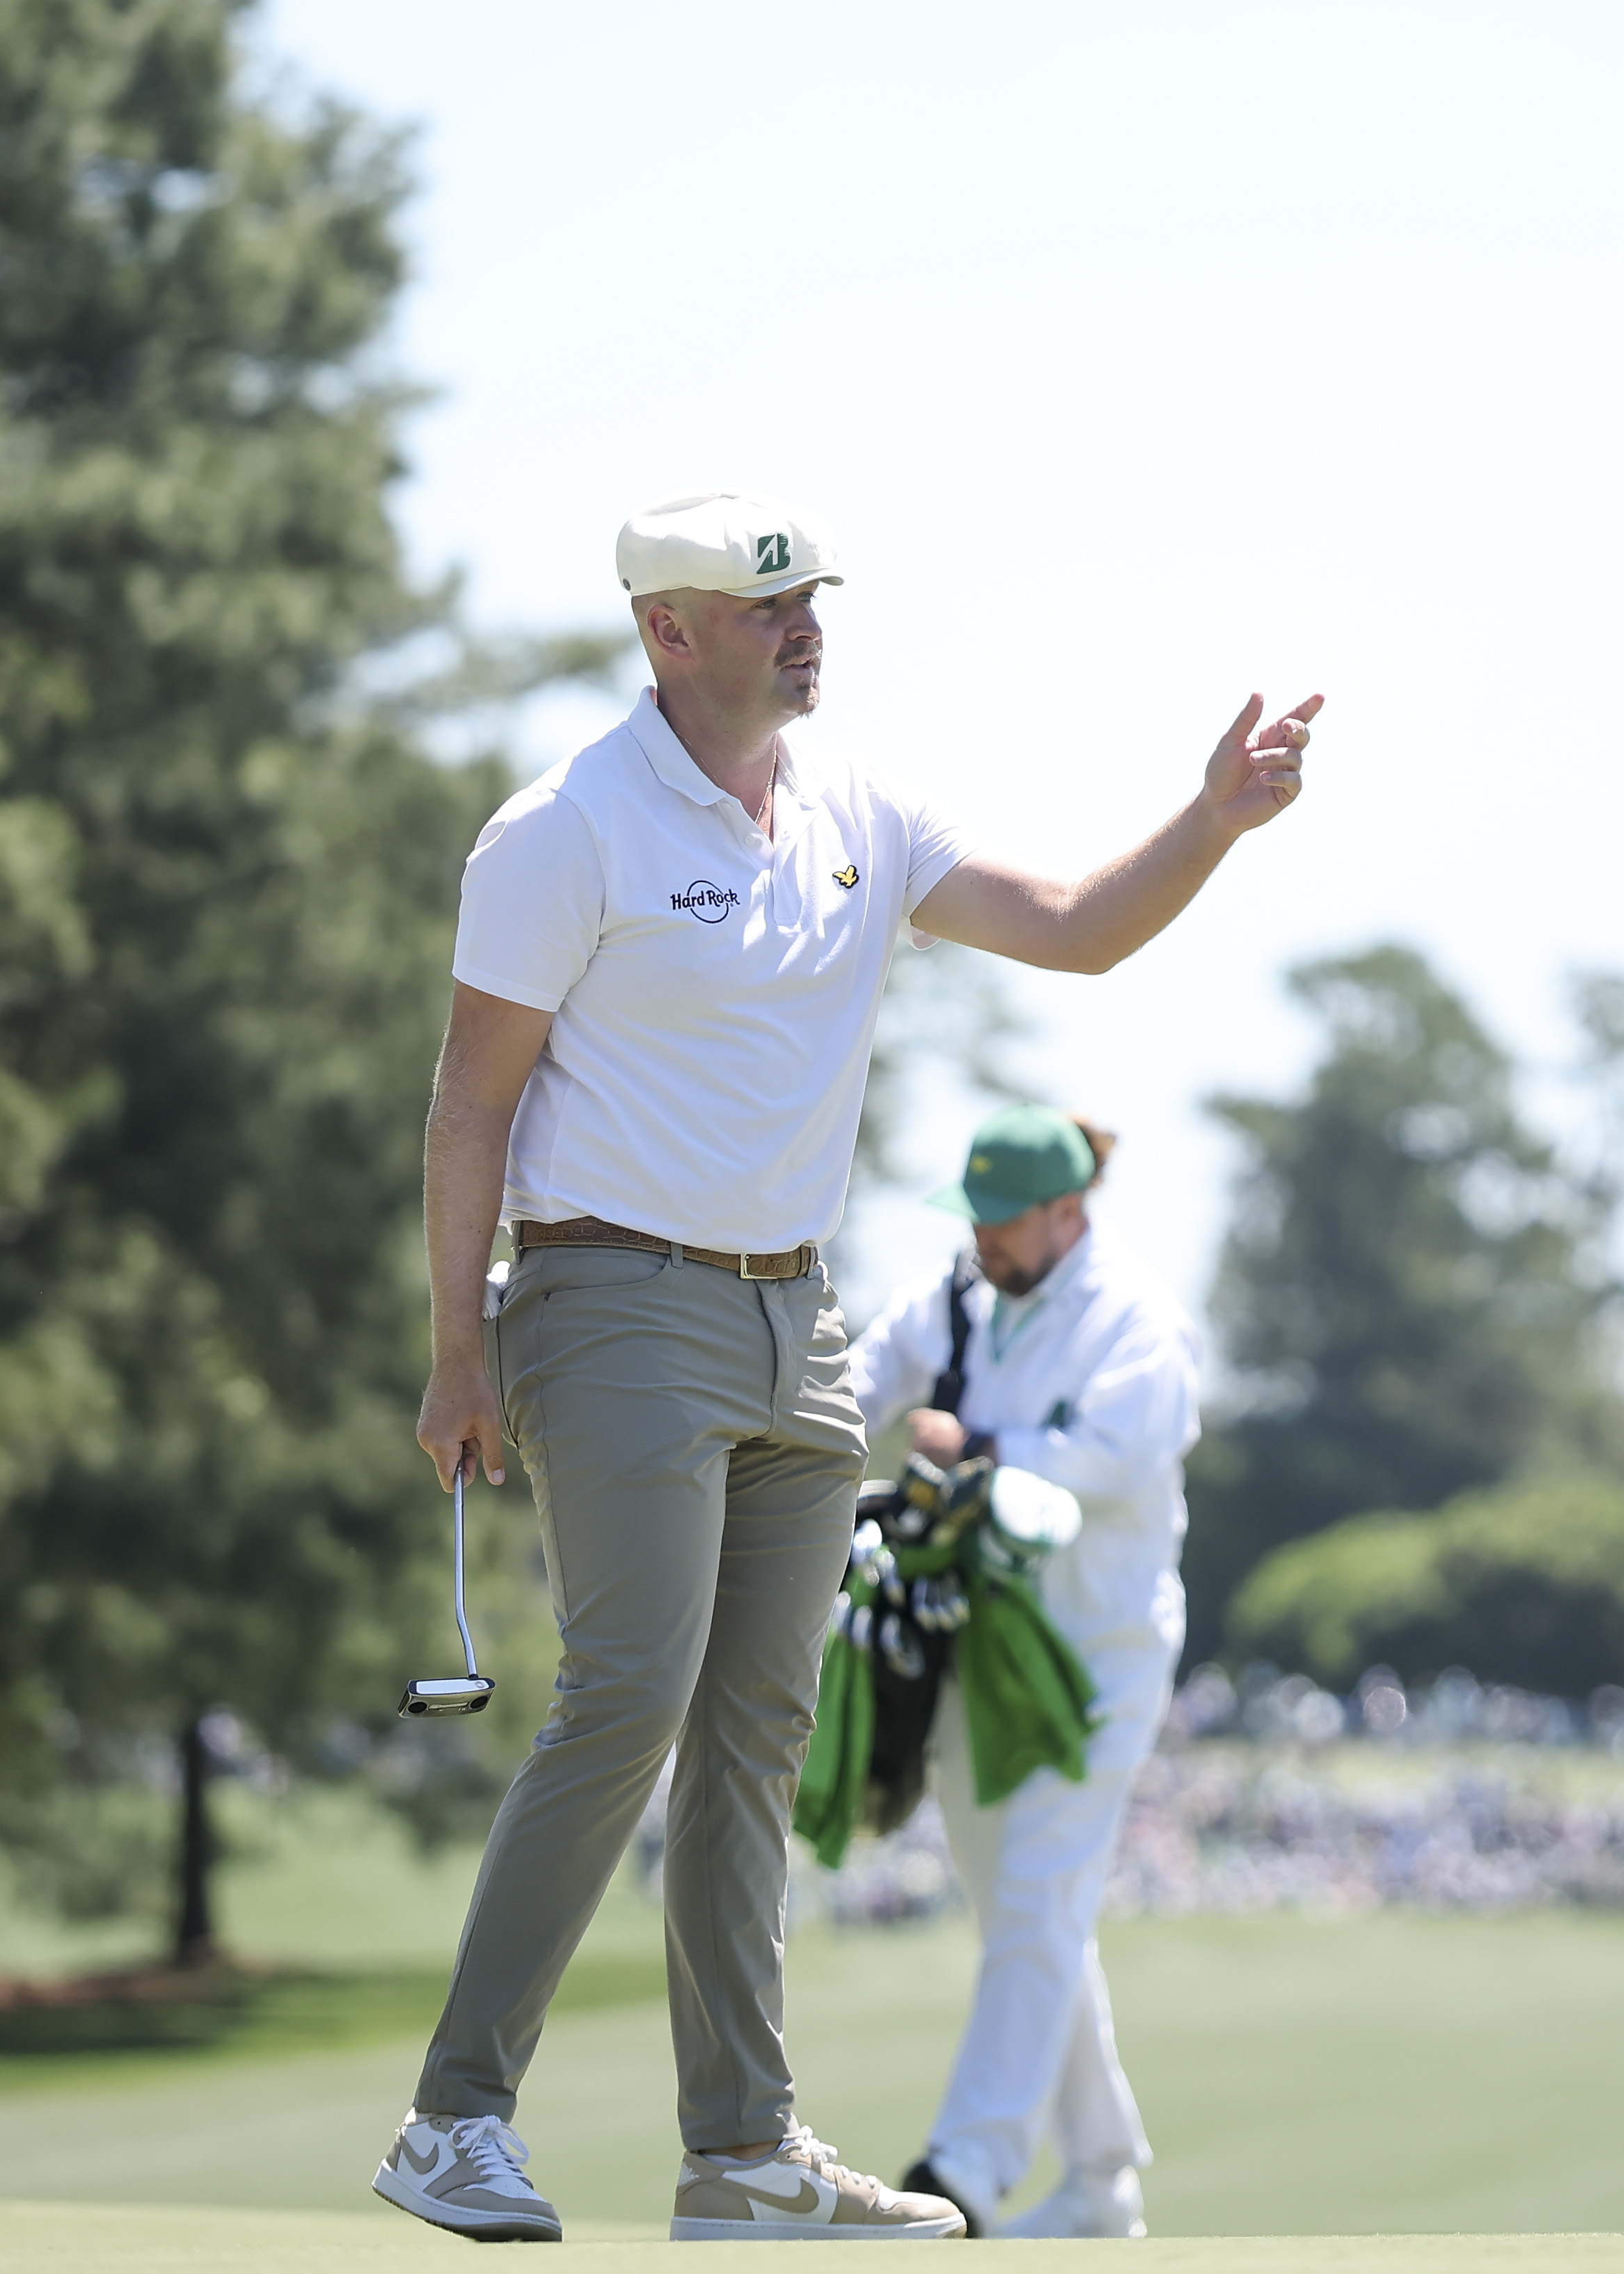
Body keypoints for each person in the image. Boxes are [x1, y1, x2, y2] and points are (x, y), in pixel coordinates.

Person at [372, 489, 1315, 2243]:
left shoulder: (858, 808)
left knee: (754, 1737)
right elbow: (470, 1103)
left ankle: (740, 2150)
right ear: (669, 631)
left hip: (795, 1324)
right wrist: (456, 1351)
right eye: (766, 602)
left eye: (813, 593)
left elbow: (1079, 922)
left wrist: (1214, 819)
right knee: (629, 1693)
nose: (807, 623)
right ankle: (453, 2116)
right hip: (608, 1297)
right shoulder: (560, 830)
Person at [846, 1107, 1201, 2238]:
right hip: (973, 1644)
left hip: (1096, 1655)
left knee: (1041, 1896)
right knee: (1025, 1911)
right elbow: (861, 1382)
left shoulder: (1137, 1319)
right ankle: (1102, 2183)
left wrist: (972, 1451)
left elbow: (1103, 1460)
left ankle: (967, 2172)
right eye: (977, 1220)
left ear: (1069, 1212)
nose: (985, 1241)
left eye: (1005, 1222)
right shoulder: (961, 1291)